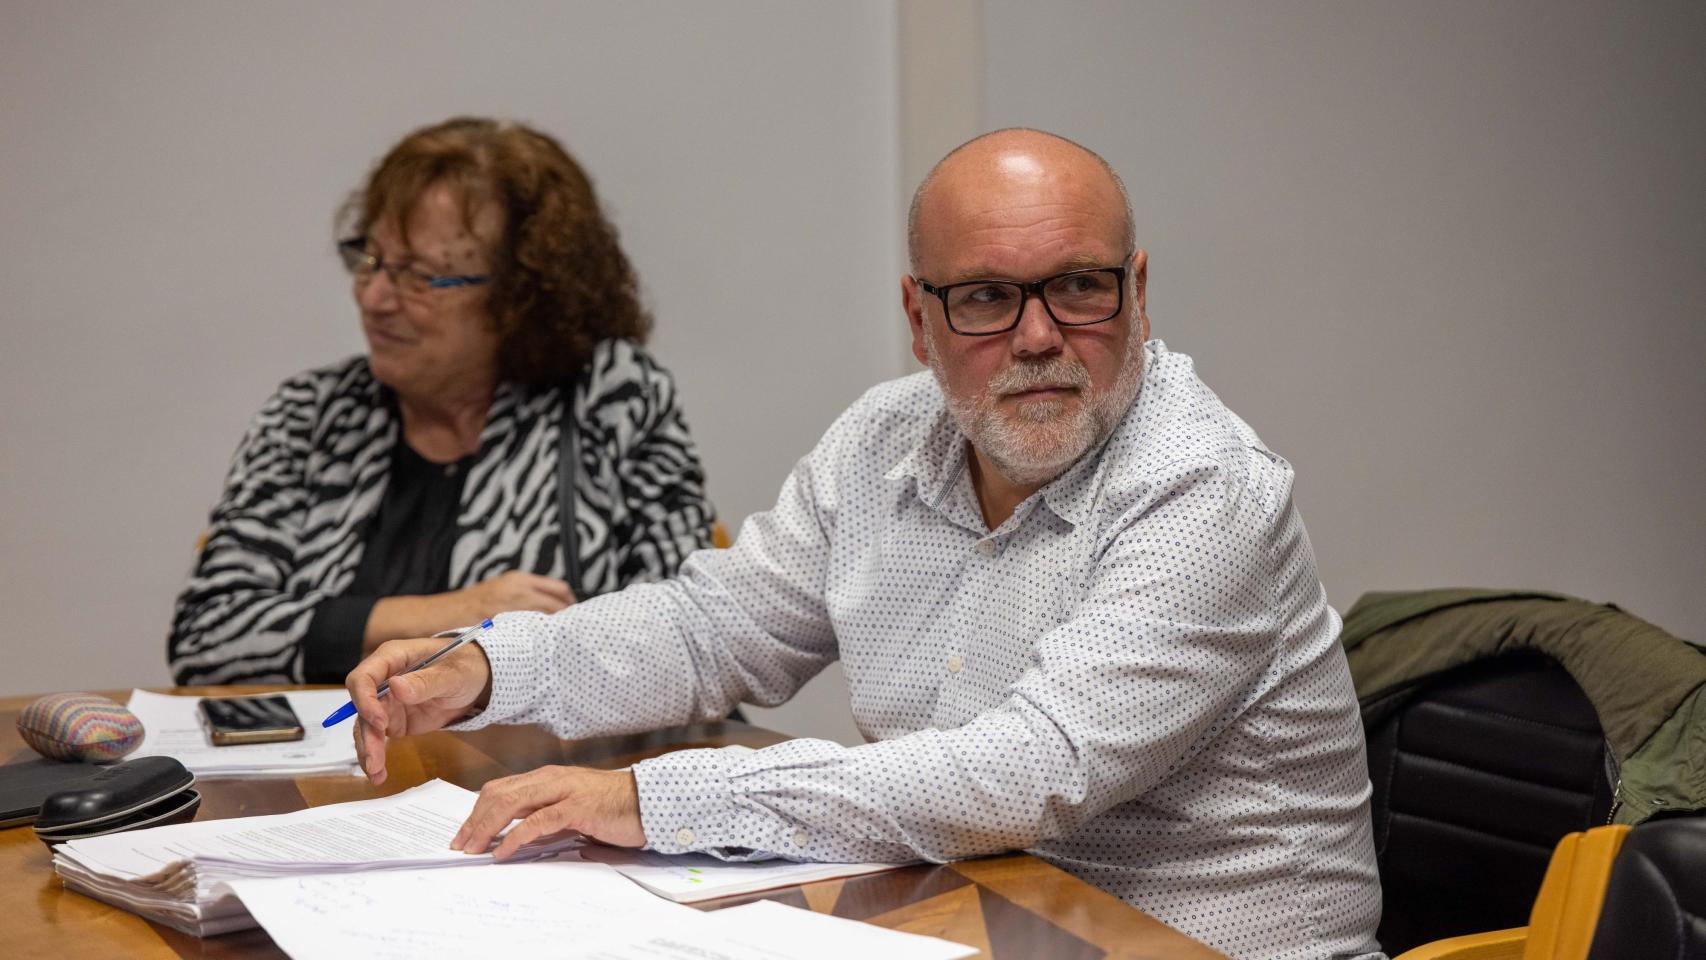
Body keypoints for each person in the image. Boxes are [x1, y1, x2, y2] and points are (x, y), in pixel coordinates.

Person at [347, 129, 1384, 958]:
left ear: (1137, 290)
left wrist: (646, 796)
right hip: (972, 921)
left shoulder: (1201, 487)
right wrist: (486, 669)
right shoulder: (884, 438)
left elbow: (1028, 772)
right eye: (984, 297)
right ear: (917, 317)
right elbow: (714, 628)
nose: (1035, 336)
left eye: (1077, 286)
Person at [169, 117, 714, 686]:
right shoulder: (312, 415)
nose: (375, 298)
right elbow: (207, 637)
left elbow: (685, 631)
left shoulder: (611, 397)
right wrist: (450, 613)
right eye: (372, 261)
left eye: (420, 275)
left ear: (521, 295)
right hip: (347, 768)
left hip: (551, 766)